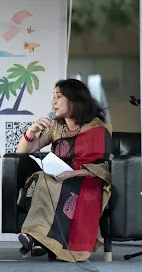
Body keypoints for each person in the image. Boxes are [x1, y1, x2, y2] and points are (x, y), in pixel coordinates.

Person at [15, 78, 112, 262]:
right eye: (53, 97)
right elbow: (22, 152)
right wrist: (32, 131)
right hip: (58, 176)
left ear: (75, 100)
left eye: (59, 97)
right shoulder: (55, 127)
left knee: (58, 186)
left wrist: (73, 173)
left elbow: (105, 167)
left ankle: (36, 239)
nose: (54, 101)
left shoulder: (98, 128)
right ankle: (37, 238)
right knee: (40, 180)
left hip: (86, 178)